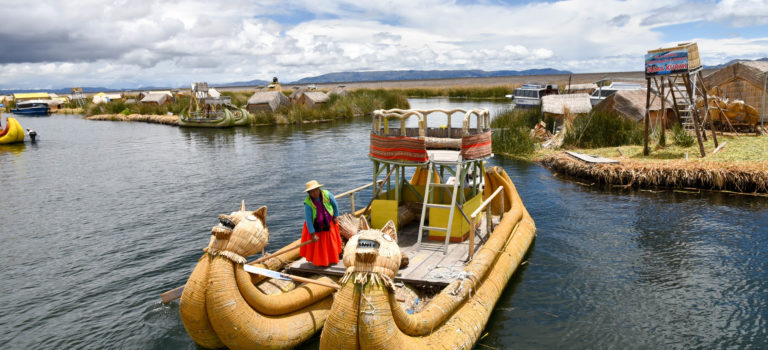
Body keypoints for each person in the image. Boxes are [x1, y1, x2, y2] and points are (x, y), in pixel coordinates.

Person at [299, 180, 342, 267]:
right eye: (312, 192)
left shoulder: (327, 194)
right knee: (321, 247)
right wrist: (313, 233)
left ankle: (334, 257)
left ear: (319, 189)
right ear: (309, 193)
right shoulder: (308, 203)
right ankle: (322, 262)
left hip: (329, 224)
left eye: (316, 190)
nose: (315, 193)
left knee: (332, 242)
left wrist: (335, 216)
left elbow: (335, 205)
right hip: (317, 227)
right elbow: (309, 220)